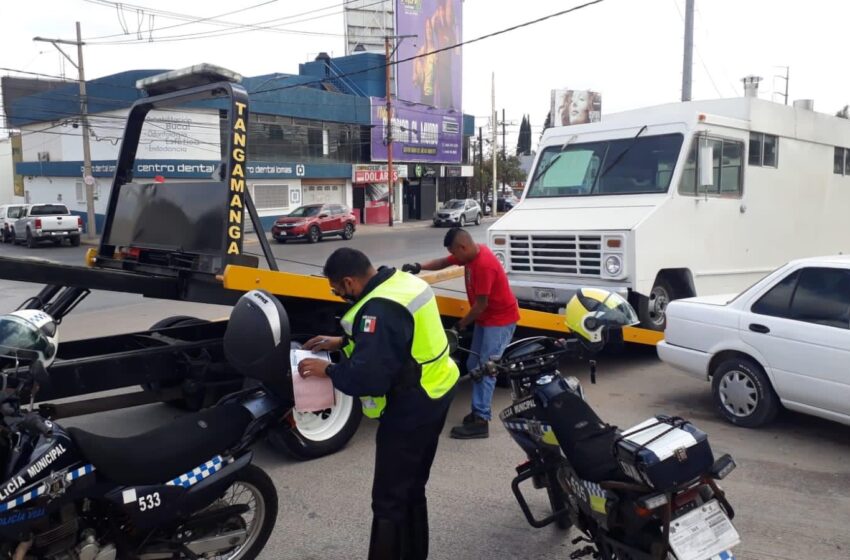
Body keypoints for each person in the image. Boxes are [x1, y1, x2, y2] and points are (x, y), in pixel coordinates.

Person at [297, 248, 458, 560]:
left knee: (388, 499)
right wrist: (342, 341)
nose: (338, 295)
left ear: (348, 282)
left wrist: (327, 369)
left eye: (336, 289)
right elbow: (399, 337)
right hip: (437, 388)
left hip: (412, 405)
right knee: (412, 487)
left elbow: (367, 379)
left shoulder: (377, 310)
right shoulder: (400, 283)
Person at [403, 227, 519, 439]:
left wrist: (459, 325)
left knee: (486, 368)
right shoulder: (470, 255)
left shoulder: (484, 265)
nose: (453, 257)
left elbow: (480, 305)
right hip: (486, 319)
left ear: (463, 246)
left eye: (454, 252)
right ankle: (478, 411)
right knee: (473, 366)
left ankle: (481, 420)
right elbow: (443, 262)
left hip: (500, 321)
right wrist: (419, 266)